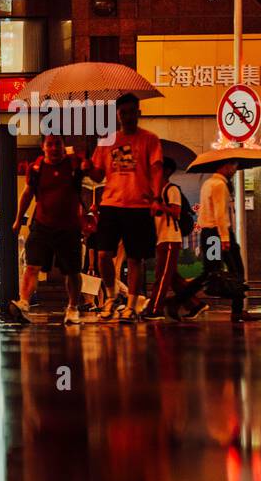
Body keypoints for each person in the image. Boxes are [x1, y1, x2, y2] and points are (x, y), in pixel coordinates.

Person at [83, 93, 163, 322]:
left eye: (131, 112)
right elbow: (98, 175)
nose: (127, 116)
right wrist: (88, 167)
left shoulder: (150, 139)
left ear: (138, 113)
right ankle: (111, 296)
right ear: (117, 115)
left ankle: (131, 304)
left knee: (135, 258)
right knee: (103, 255)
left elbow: (156, 169)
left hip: (139, 204)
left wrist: (156, 197)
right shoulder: (108, 141)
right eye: (123, 112)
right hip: (111, 204)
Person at [8, 132, 87, 325]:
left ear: (63, 146)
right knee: (32, 265)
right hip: (42, 225)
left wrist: (86, 164)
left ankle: (73, 307)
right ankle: (24, 303)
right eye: (49, 144)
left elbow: (95, 175)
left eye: (57, 144)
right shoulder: (36, 169)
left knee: (72, 271)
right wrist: (18, 220)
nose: (54, 148)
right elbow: (27, 195)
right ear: (43, 147)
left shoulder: (73, 165)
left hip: (69, 227)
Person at [171, 158, 252, 322]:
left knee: (211, 272)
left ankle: (177, 301)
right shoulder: (219, 185)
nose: (235, 170)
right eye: (233, 166)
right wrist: (225, 238)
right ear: (225, 166)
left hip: (212, 235)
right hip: (218, 235)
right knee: (235, 271)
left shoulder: (210, 183)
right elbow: (220, 213)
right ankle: (237, 311)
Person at [149, 157, 204, 320]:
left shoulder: (171, 189)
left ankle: (155, 309)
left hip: (170, 238)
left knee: (162, 276)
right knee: (172, 277)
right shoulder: (157, 192)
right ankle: (195, 304)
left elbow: (176, 212)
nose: (153, 173)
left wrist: (160, 207)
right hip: (162, 238)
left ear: (165, 171)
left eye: (156, 169)